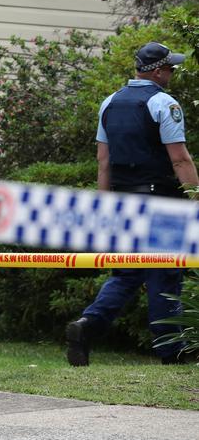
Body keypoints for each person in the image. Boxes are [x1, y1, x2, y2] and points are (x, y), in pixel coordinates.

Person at [66, 42, 199, 367]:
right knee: (165, 275)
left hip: (124, 202)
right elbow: (180, 159)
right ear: (156, 70)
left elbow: (103, 161)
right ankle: (172, 353)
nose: (171, 73)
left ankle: (87, 326)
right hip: (159, 201)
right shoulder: (163, 103)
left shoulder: (109, 103)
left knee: (126, 274)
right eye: (170, 68)